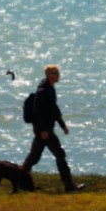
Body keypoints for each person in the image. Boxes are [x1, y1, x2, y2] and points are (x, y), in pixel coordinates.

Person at [21, 64, 81, 192]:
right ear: (49, 75)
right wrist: (42, 130)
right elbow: (37, 112)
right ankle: (69, 186)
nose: (58, 75)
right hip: (44, 131)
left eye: (58, 73)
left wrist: (62, 125)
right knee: (59, 154)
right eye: (55, 73)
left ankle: (20, 183)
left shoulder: (50, 89)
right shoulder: (42, 92)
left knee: (33, 158)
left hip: (47, 129)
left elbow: (54, 109)